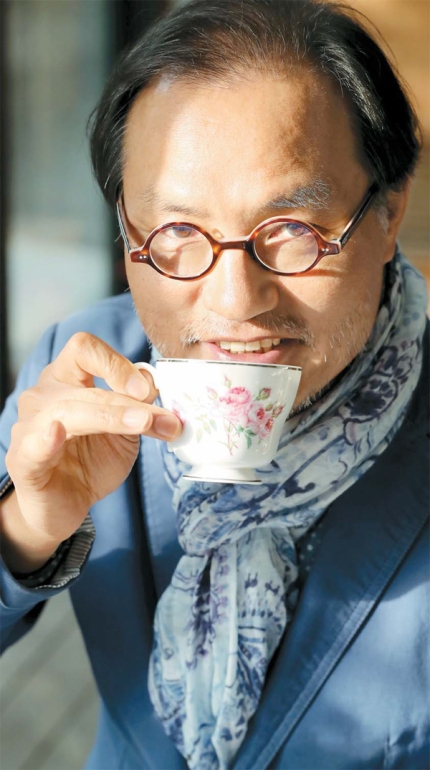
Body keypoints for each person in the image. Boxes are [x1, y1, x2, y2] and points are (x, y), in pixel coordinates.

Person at [0, 0, 428, 767]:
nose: (235, 303)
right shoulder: (85, 369)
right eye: (176, 233)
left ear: (389, 211)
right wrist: (25, 528)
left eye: (291, 231)